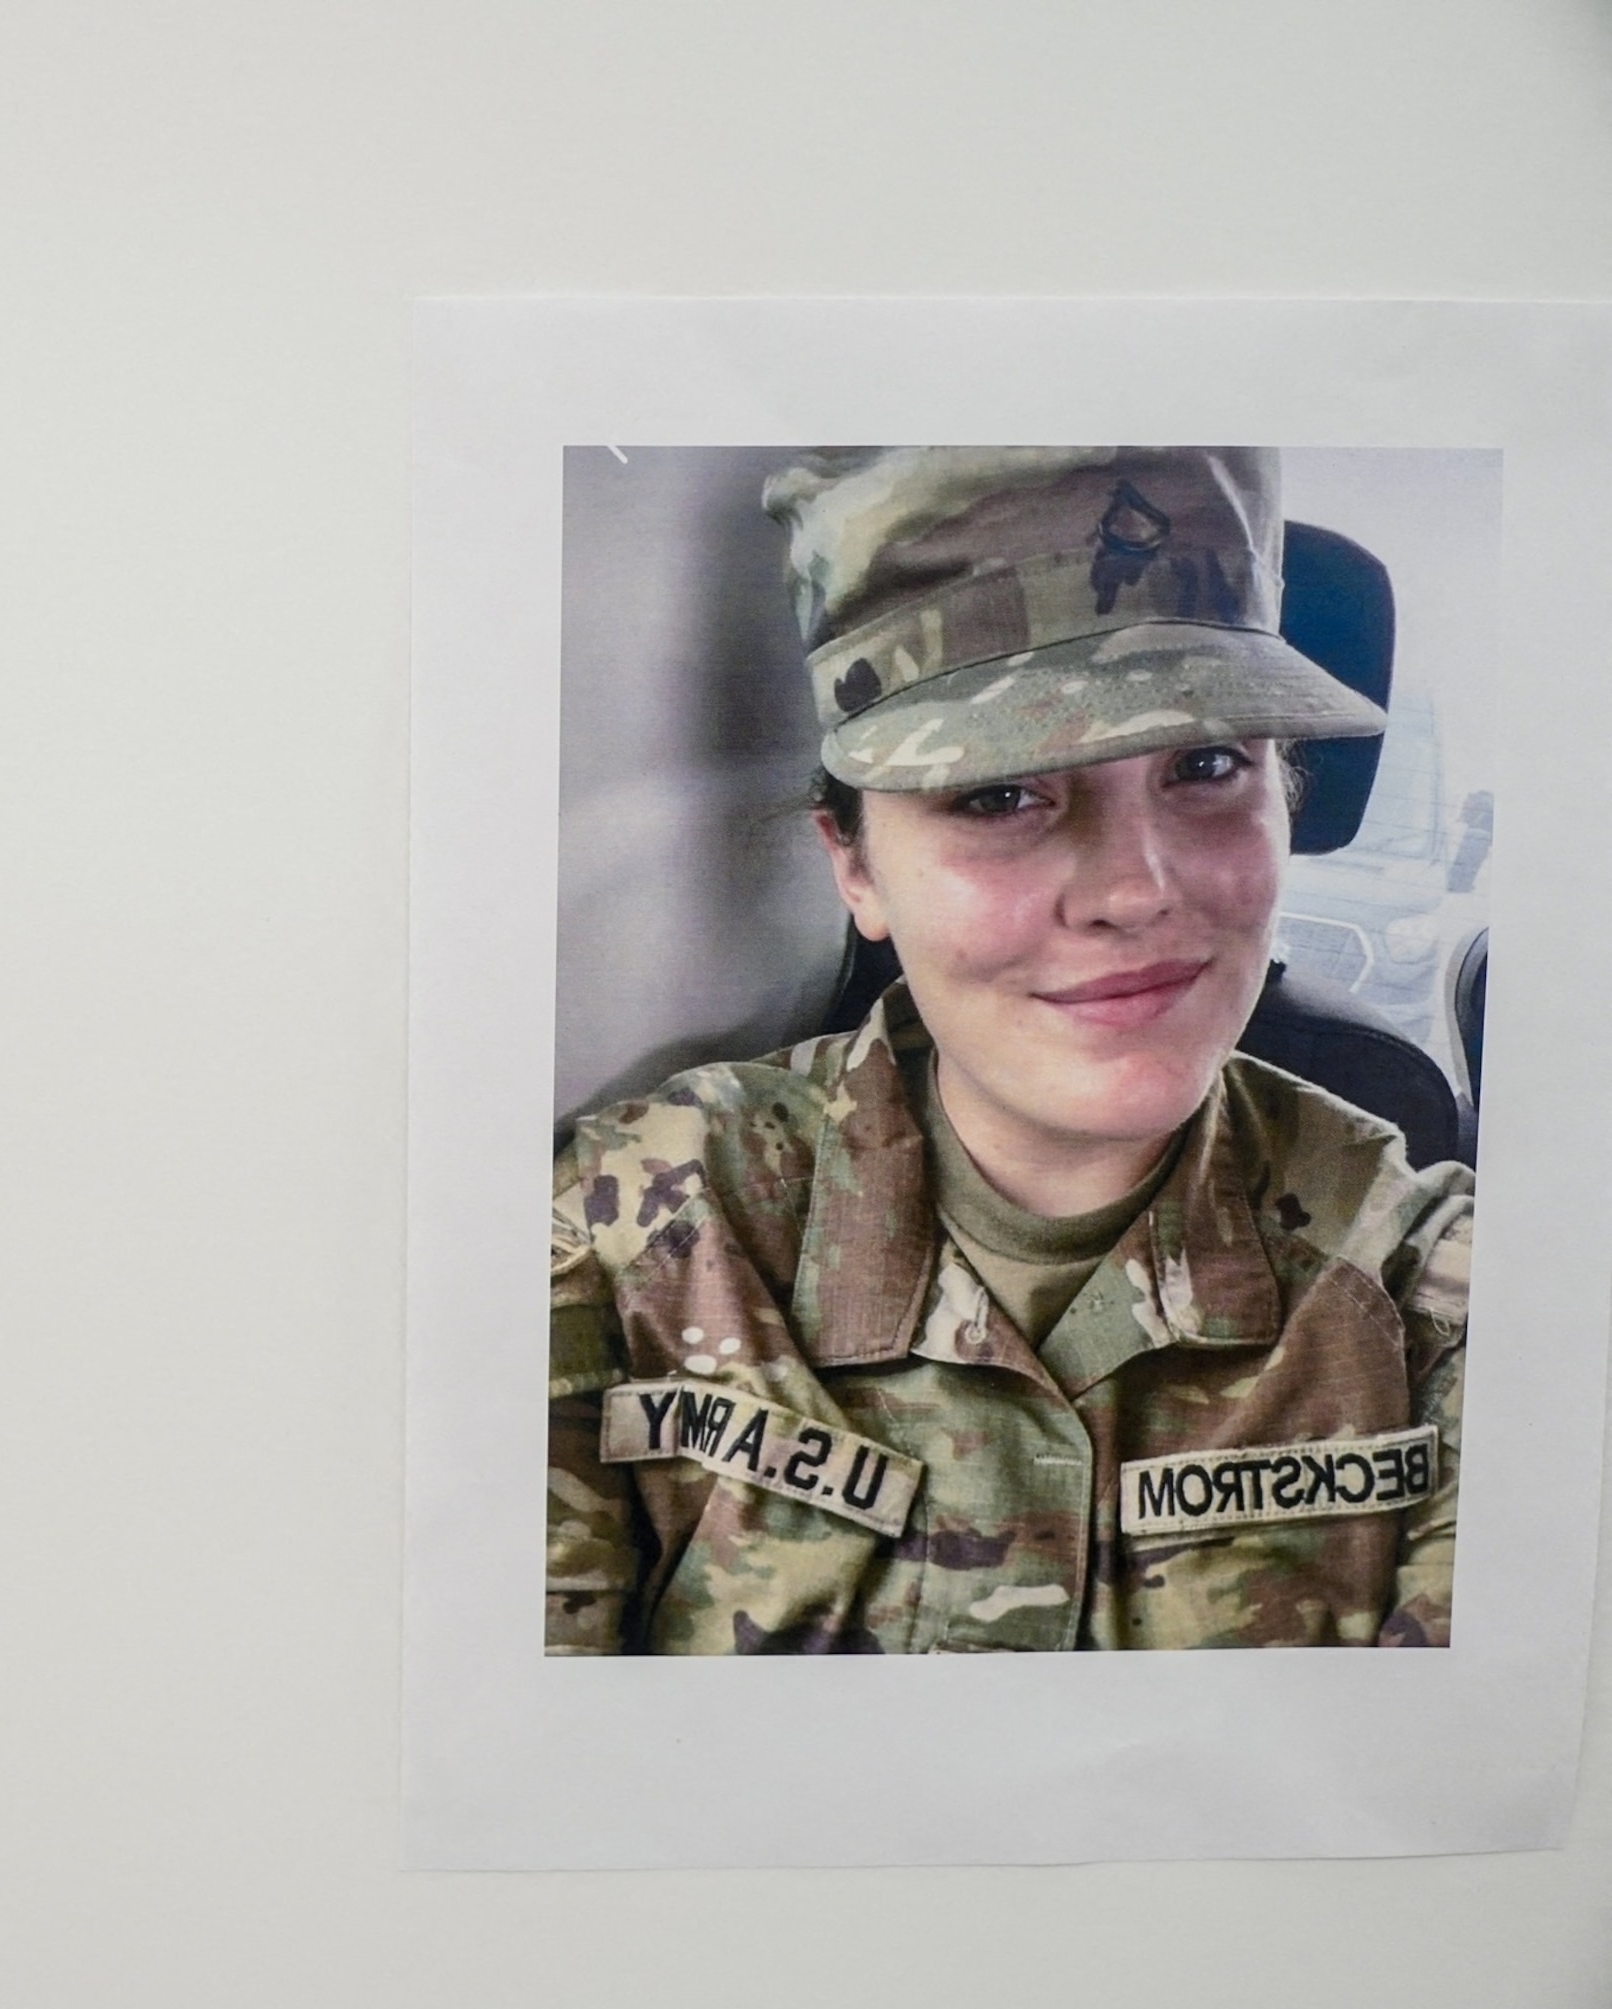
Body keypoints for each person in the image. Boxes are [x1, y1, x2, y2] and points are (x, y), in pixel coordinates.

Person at [546, 448, 1473, 1654]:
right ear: (855, 863)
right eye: (997, 794)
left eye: (1207, 765)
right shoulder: (638, 1233)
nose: (1136, 891)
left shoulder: (1428, 1295)